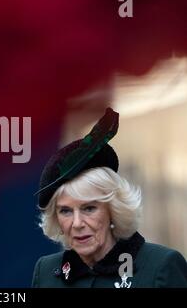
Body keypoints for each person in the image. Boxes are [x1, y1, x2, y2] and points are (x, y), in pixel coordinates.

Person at [32, 107, 187, 288]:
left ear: (113, 210)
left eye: (89, 208)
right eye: (65, 211)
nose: (77, 223)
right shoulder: (46, 271)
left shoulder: (160, 266)